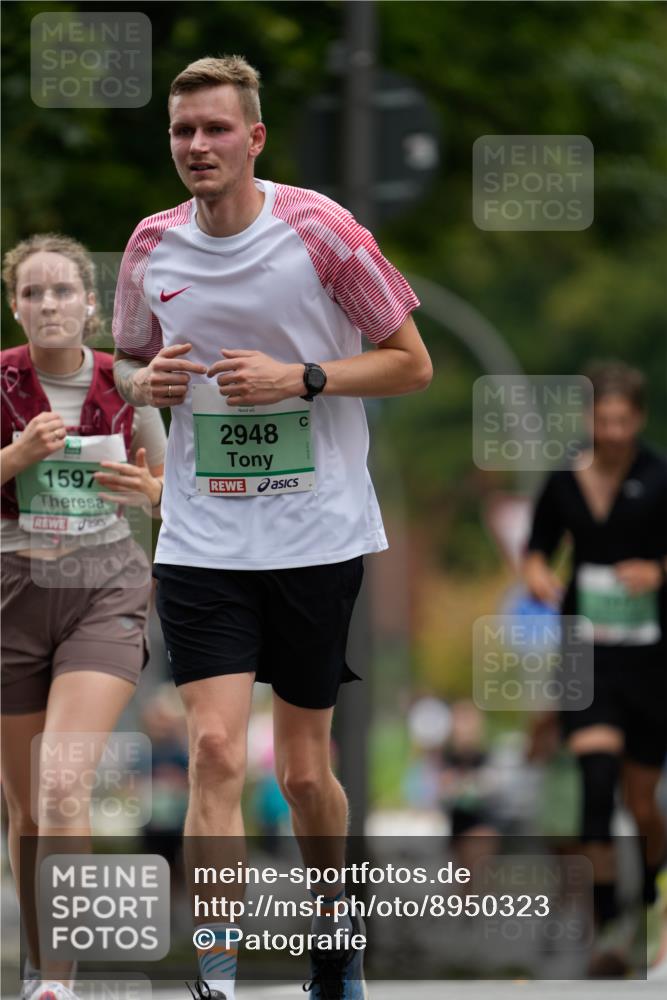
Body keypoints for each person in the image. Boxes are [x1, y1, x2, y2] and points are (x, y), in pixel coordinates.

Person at [112, 55, 432, 999]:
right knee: (213, 751)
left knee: (300, 772)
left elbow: (411, 364)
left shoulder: (321, 231)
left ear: (254, 138)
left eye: (216, 128)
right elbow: (126, 365)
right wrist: (144, 383)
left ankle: (335, 943)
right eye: (183, 131)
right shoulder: (150, 246)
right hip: (202, 536)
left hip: (314, 535)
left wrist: (303, 377)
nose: (197, 146)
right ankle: (217, 971)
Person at [0, 234, 167, 1000]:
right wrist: (15, 459)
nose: (49, 304)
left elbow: (172, 490)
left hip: (105, 590)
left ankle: (59, 984)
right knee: (28, 809)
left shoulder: (126, 384)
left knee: (62, 783)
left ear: (91, 304)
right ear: (16, 306)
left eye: (63, 290)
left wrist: (147, 490)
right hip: (12, 592)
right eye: (33, 293)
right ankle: (40, 968)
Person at [523, 361, 667, 971]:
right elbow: (536, 549)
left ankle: (651, 901)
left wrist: (658, 571)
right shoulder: (563, 480)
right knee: (596, 783)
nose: (612, 432)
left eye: (622, 421)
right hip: (584, 652)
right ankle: (608, 927)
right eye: (602, 420)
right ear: (588, 418)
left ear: (638, 419)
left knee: (640, 801)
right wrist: (537, 576)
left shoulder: (659, 476)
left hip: (649, 657)